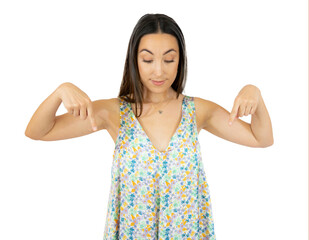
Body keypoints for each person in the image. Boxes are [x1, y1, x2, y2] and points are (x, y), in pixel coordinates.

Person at [25, 13, 274, 239]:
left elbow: (260, 139)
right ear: (134, 59)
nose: (159, 70)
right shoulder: (114, 112)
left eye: (168, 59)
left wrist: (255, 94)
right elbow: (38, 132)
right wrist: (60, 91)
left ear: (180, 61)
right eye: (147, 59)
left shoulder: (198, 111)